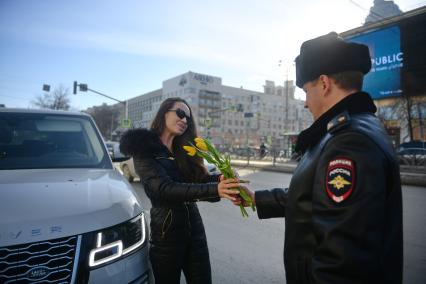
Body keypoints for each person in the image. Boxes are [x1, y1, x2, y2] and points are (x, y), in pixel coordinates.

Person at [236, 32, 403, 283]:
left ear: (324, 83)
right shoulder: (355, 128)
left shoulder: (348, 142)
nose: (305, 103)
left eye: (306, 90)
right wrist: (257, 199)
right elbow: (316, 196)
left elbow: (342, 265)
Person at [120, 97, 240, 284]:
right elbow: (163, 189)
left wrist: (221, 180)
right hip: (166, 235)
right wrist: (215, 188)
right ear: (164, 113)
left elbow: (197, 181)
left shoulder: (183, 149)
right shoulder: (143, 148)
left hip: (195, 230)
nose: (185, 120)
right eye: (181, 114)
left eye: (188, 118)